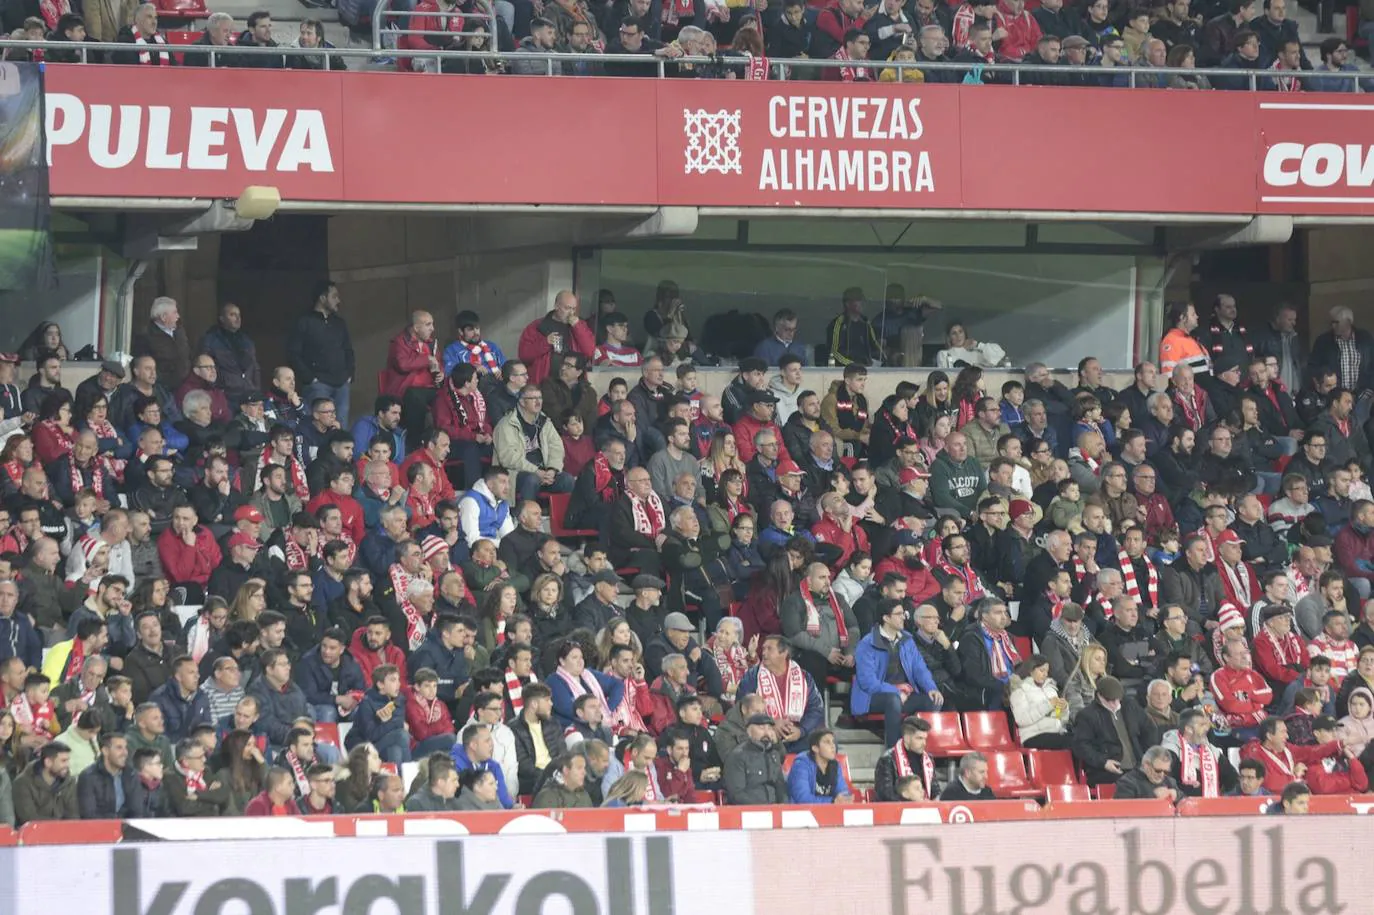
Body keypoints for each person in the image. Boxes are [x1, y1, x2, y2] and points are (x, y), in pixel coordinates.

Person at [852, 597, 941, 746]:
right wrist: (895, 691)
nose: (903, 617)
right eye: (898, 614)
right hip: (873, 696)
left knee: (934, 700)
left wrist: (931, 688)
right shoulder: (867, 644)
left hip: (904, 694)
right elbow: (868, 682)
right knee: (893, 701)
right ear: (886, 618)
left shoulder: (907, 640)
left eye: (903, 613)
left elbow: (920, 668)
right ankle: (893, 752)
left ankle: (920, 747)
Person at [1071, 676, 1153, 786]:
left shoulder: (1130, 706)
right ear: (1099, 696)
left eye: (1117, 699)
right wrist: (1103, 762)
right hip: (1105, 772)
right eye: (1110, 700)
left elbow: (1149, 730)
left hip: (1137, 768)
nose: (1115, 703)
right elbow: (1081, 745)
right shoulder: (1087, 715)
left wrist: (1146, 756)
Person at [723, 713, 787, 804]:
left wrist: (782, 806)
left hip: (774, 810)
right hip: (748, 811)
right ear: (749, 731)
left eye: (769, 728)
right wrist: (762, 809)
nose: (766, 732)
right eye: (761, 728)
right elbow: (736, 794)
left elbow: (781, 787)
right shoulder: (737, 756)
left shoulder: (774, 755)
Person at [873, 715, 938, 801]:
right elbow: (885, 794)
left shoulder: (928, 760)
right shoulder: (887, 760)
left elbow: (935, 790)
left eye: (925, 739)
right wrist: (912, 804)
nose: (924, 743)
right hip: (896, 811)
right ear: (907, 738)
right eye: (919, 738)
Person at [1112, 746, 1183, 802]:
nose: (1162, 775)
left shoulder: (1169, 782)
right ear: (1146, 765)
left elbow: (1186, 803)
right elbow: (1122, 810)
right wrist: (1154, 797)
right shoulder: (1127, 783)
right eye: (1158, 770)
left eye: (1166, 772)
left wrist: (1177, 795)